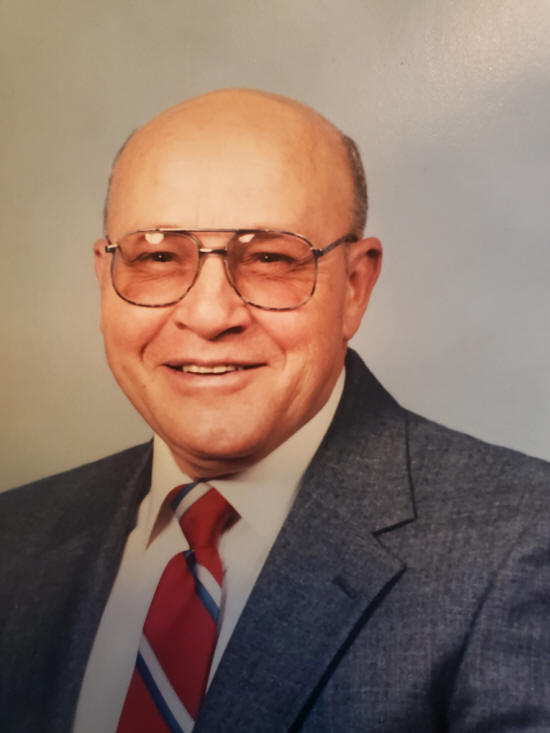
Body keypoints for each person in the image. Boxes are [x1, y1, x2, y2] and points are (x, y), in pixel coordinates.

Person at [1, 88, 549, 733]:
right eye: (157, 256)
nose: (209, 315)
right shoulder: (17, 537)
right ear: (105, 278)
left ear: (355, 286)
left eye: (269, 258)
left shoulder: (522, 540)